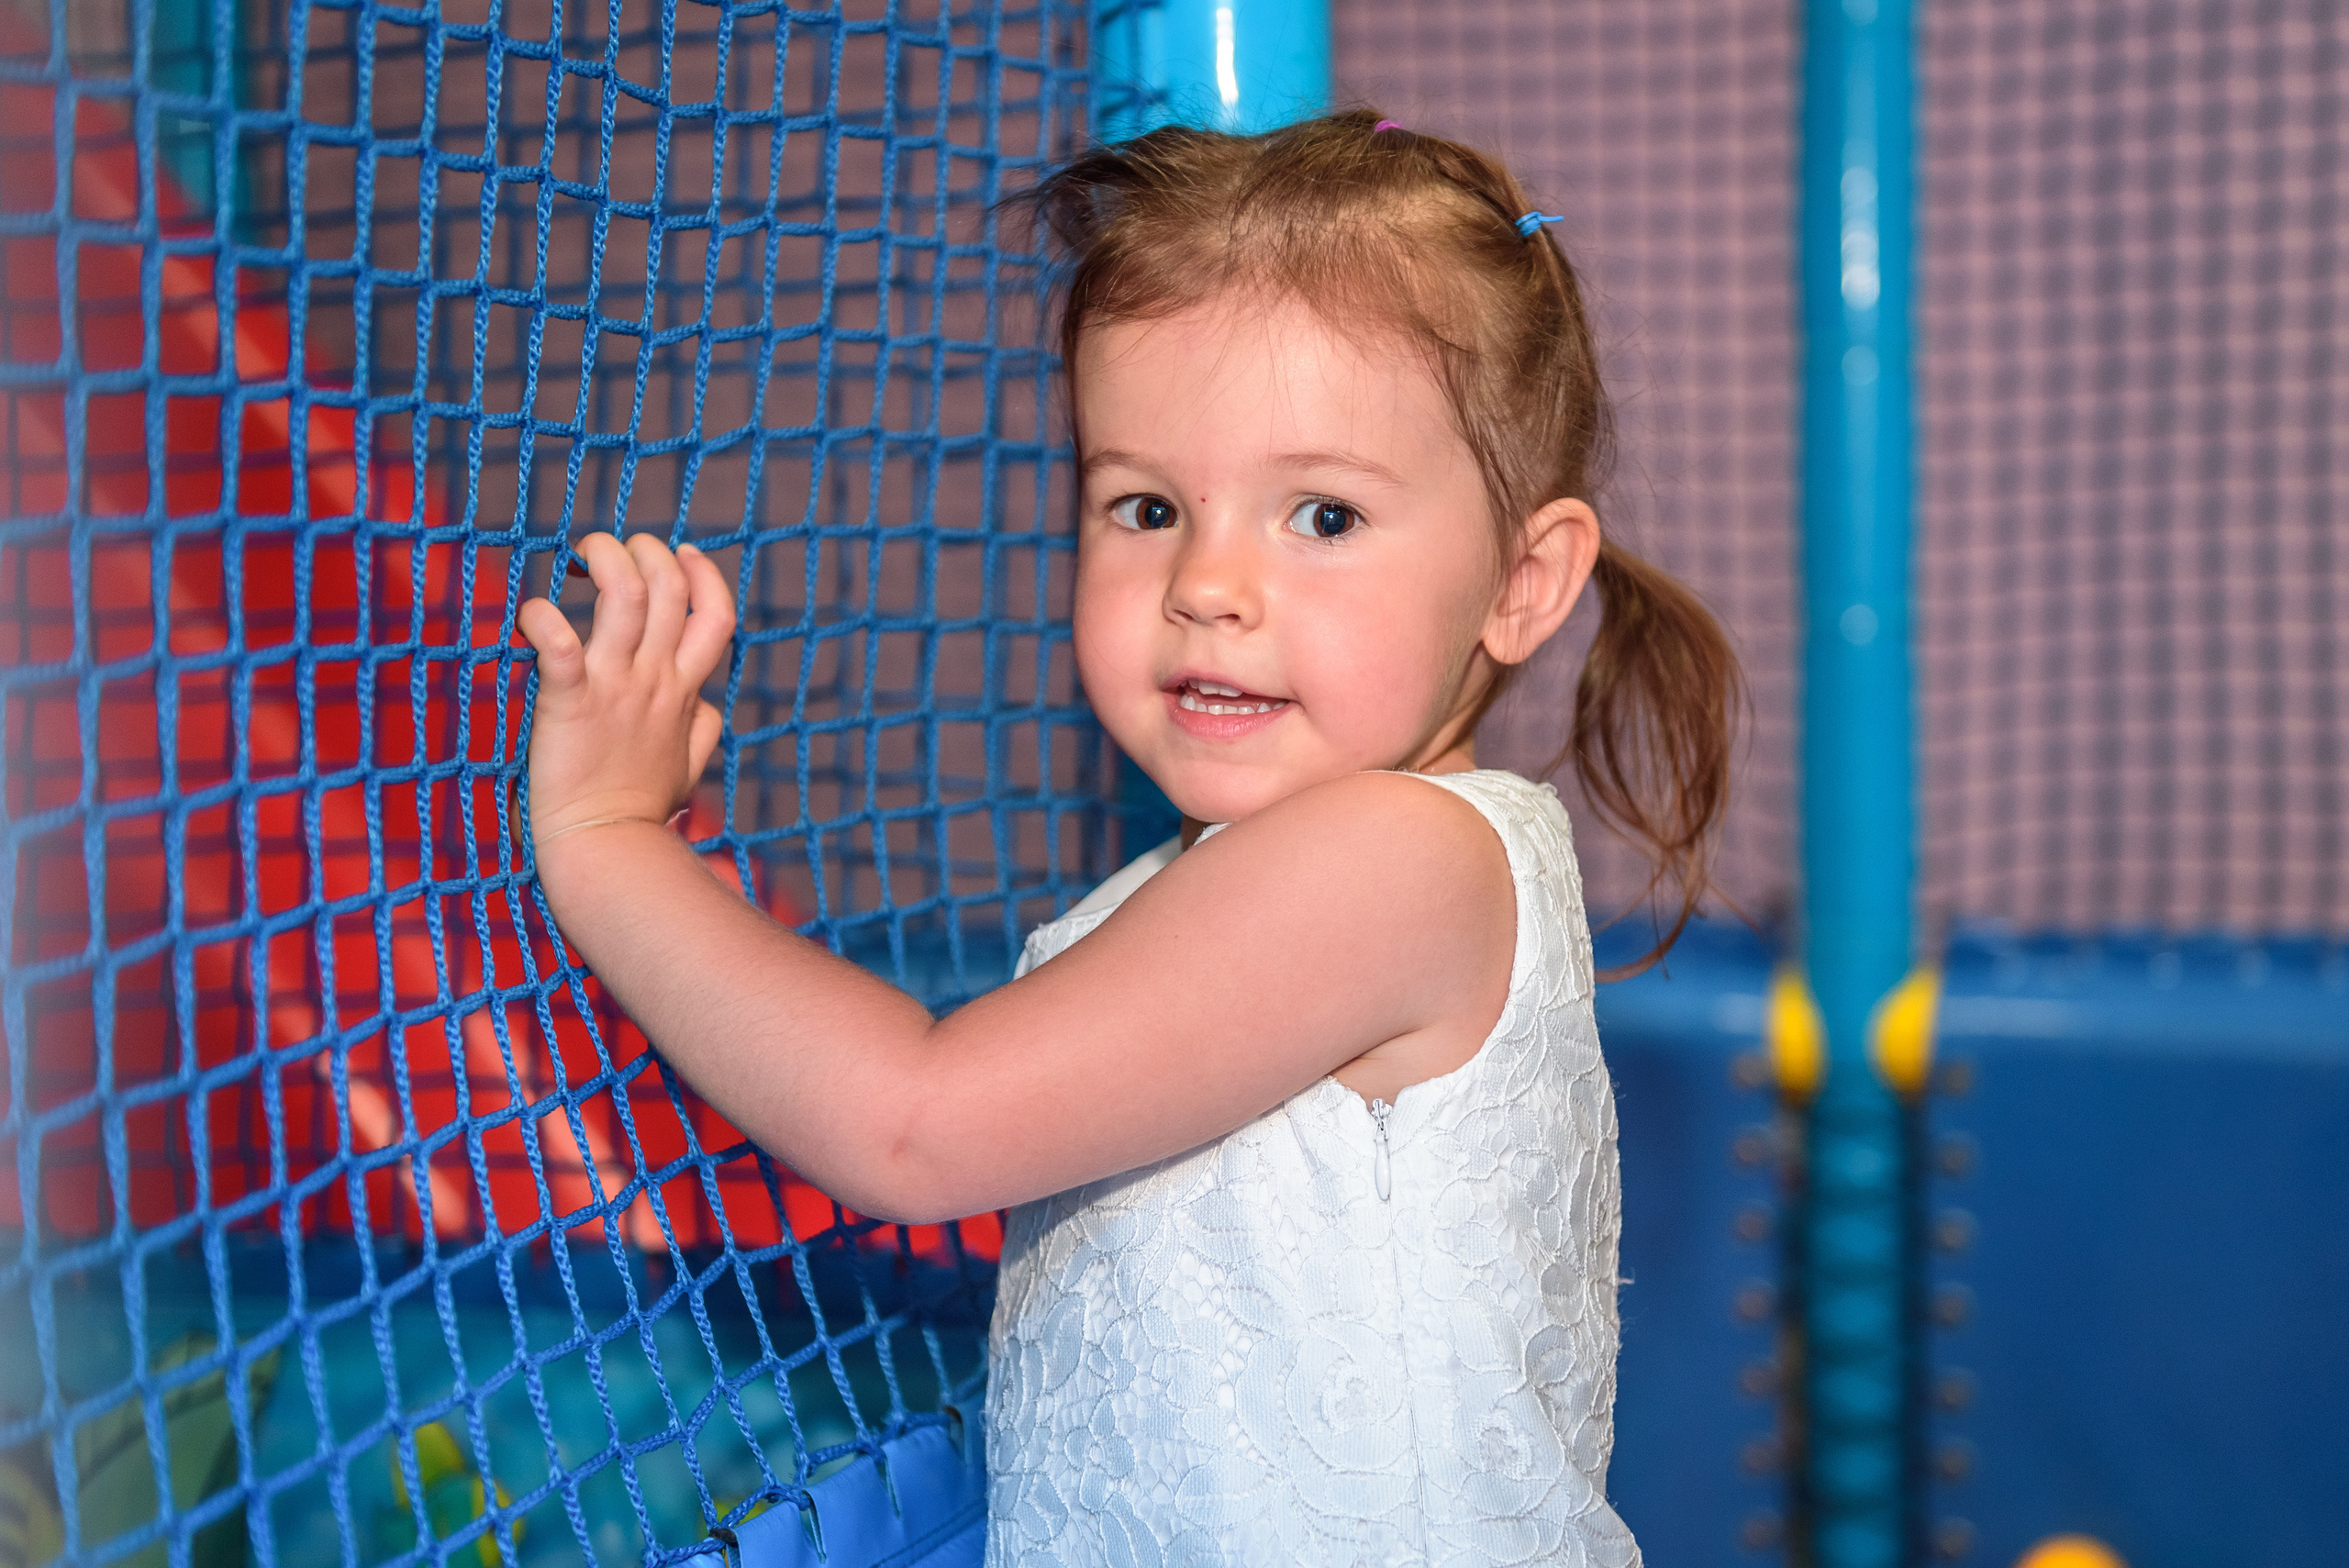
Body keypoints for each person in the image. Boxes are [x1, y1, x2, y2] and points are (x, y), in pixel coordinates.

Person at [518, 111, 1736, 1568]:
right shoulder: (1240, 875)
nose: (1209, 582)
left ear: (1523, 585)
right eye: (1148, 505)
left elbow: (917, 1123)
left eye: (1324, 513)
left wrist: (608, 840)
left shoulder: (1394, 863)